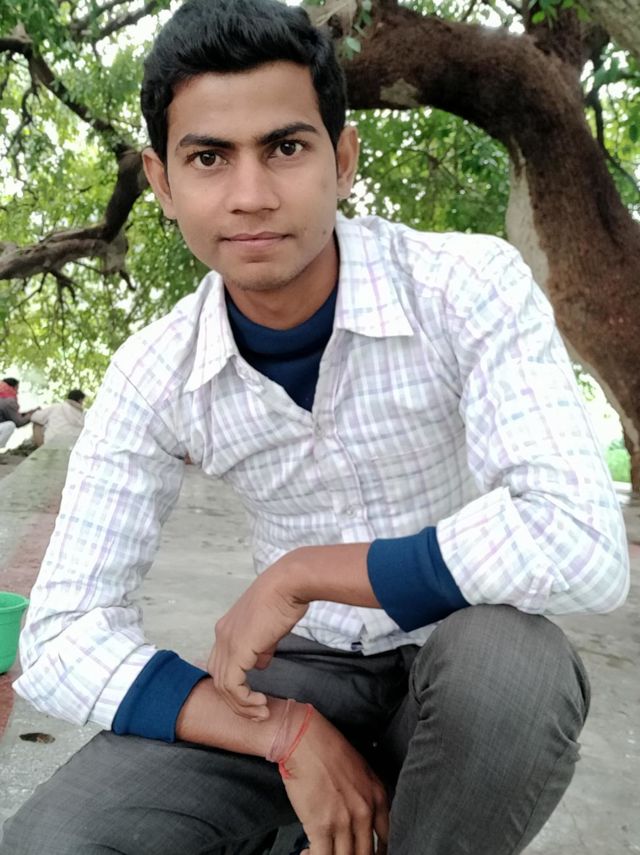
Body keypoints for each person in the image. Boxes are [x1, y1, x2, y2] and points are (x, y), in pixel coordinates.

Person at [1, 1, 629, 853]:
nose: (251, 196)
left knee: (514, 666)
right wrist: (284, 731)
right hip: (302, 673)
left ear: (343, 159)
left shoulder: (465, 286)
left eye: (286, 148)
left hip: (463, 657)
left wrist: (304, 573)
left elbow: (581, 538)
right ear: (162, 183)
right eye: (209, 157)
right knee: (57, 839)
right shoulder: (156, 371)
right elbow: (60, 633)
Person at [0, 377, 38, 450]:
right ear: (13, 387)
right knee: (10, 425)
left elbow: (11, 415)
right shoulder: (9, 400)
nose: (17, 392)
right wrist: (32, 415)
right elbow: (18, 423)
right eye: (17, 388)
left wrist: (28, 413)